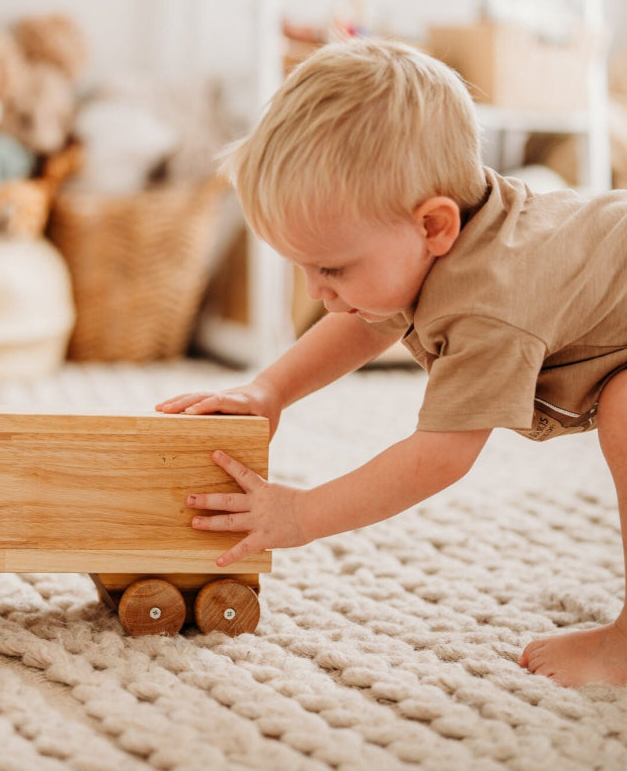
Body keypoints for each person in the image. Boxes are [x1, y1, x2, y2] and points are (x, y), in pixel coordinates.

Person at [156, 37, 627, 687]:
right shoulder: (434, 239)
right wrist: (270, 391)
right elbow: (366, 318)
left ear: (434, 227)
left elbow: (439, 456)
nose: (317, 291)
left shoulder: (489, 304)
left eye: (330, 268)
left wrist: (301, 515)